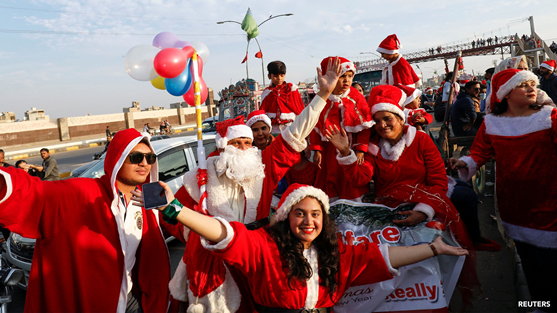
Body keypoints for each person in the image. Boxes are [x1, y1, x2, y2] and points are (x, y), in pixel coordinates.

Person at [163, 58, 345, 312]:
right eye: (237, 143)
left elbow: (295, 133)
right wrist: (196, 235)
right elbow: (172, 220)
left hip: (256, 255)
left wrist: (322, 96)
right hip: (214, 259)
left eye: (247, 144)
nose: (243, 149)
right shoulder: (200, 177)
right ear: (223, 145)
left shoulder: (262, 165)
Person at [136, 182, 467, 312]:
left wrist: (434, 249)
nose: (308, 222)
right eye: (299, 214)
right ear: (286, 217)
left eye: (315, 214)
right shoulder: (264, 246)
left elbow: (382, 256)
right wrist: (176, 210)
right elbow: (225, 233)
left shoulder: (334, 251)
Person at [326, 84, 479, 305]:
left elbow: (437, 181)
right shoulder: (373, 146)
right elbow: (360, 178)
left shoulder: (422, 140)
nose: (381, 125)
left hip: (425, 202)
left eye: (387, 118)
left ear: (399, 118)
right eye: (376, 121)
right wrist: (345, 153)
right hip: (389, 208)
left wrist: (423, 212)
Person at [0, 129, 172, 312]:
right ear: (117, 158)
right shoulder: (84, 192)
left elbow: (186, 228)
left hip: (129, 298)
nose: (144, 163)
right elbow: (37, 194)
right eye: (136, 157)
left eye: (150, 158)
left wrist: (171, 208)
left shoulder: (148, 202)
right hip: (91, 302)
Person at [450, 69, 557, 311]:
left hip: (550, 205)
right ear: (507, 93)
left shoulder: (550, 117)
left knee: (551, 265)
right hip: (515, 206)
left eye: (533, 83)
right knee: (529, 264)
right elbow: (479, 152)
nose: (532, 88)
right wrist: (465, 163)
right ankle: (538, 304)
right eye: (524, 85)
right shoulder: (492, 124)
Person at [310, 56, 373, 202]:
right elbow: (315, 126)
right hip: (329, 150)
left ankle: (353, 203)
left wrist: (360, 149)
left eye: (350, 76)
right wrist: (317, 149)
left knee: (349, 177)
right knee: (330, 176)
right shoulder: (321, 100)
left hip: (351, 148)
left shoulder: (356, 97)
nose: (347, 80)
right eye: (342, 76)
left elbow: (365, 127)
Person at [260, 61, 305, 134]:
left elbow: (299, 108)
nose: (279, 78)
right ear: (269, 76)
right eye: (275, 76)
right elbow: (262, 112)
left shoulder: (291, 89)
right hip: (273, 129)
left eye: (282, 75)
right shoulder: (266, 93)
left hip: (290, 127)